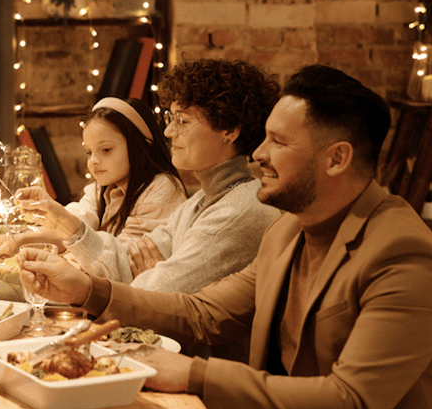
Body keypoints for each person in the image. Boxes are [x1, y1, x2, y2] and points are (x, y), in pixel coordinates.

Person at [20, 65, 432, 409]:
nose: (258, 154)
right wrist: (85, 289)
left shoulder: (404, 254)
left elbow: (349, 406)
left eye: (278, 142)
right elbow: (201, 313)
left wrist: (193, 374)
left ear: (337, 158)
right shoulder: (289, 231)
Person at [18, 58, 281, 292]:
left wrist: (140, 275)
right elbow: (126, 263)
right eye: (171, 119)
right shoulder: (201, 201)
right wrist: (63, 222)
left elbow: (153, 294)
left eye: (183, 121)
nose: (168, 132)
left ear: (230, 130)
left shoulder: (237, 209)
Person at [0, 96, 185, 259]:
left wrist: (60, 220)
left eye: (106, 150)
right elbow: (76, 224)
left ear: (141, 146)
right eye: (89, 152)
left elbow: (123, 261)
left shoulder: (162, 188)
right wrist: (19, 239)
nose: (94, 161)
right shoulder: (102, 188)